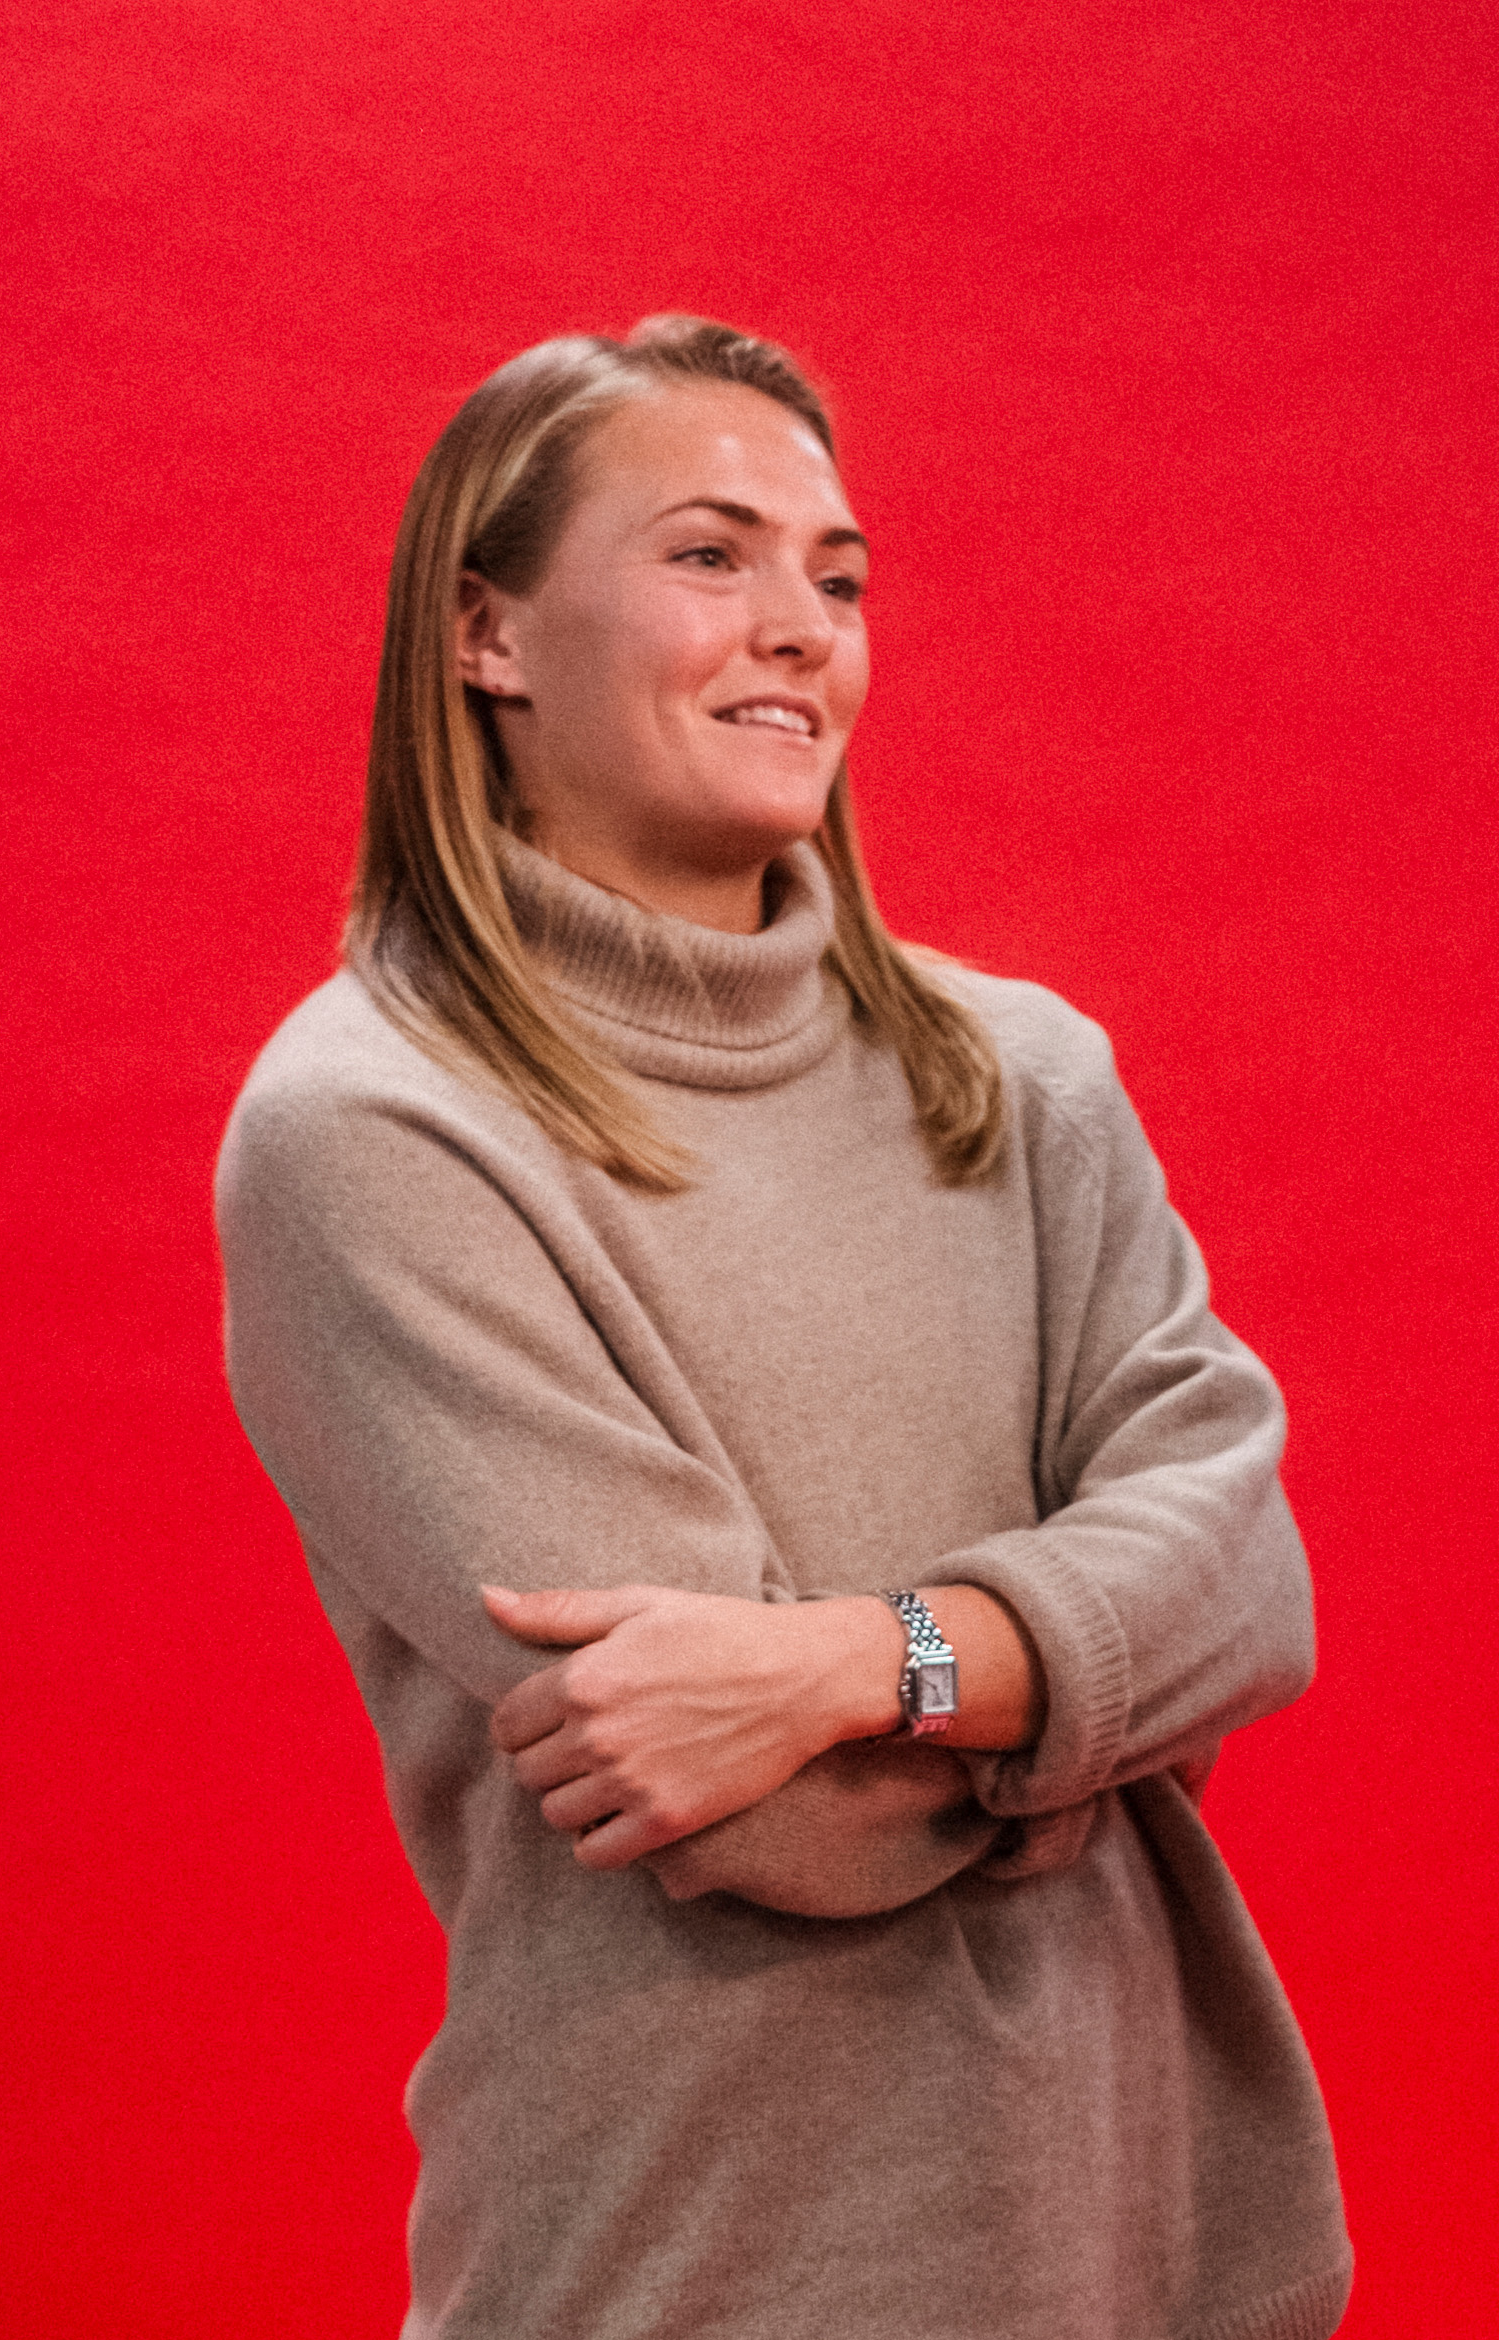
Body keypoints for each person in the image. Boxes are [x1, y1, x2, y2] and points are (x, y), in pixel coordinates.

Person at [217, 317, 1349, 2340]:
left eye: (837, 577)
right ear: (488, 632)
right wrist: (1092, 1680)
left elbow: (1251, 1590)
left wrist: (858, 1661)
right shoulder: (374, 1133)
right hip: (700, 2263)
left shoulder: (1024, 1074)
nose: (799, 629)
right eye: (711, 557)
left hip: (1148, 2241)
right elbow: (769, 1813)